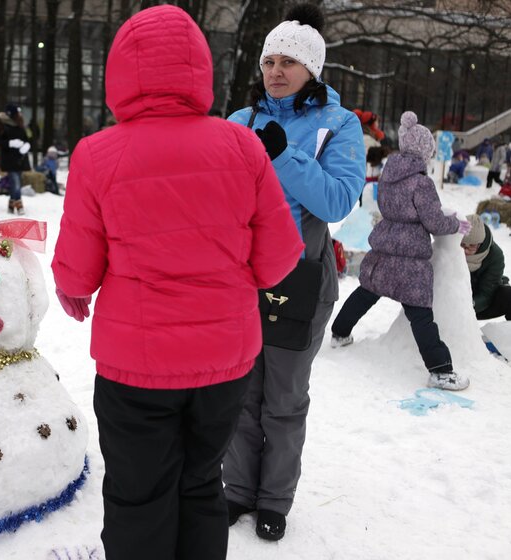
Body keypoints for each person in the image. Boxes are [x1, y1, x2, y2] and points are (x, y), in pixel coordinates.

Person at [51, 6, 305, 560]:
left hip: (135, 365)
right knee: (200, 483)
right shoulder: (241, 146)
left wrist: (72, 290)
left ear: (118, 76)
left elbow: (77, 270)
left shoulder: (97, 155)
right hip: (223, 361)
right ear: (199, 70)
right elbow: (281, 255)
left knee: (138, 494)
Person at [220, 4, 365, 542]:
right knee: (239, 391)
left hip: (302, 273)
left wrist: (284, 156)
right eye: (269, 61)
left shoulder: (340, 124)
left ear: (313, 69)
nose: (276, 72)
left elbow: (338, 202)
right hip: (241, 274)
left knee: (284, 397)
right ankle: (237, 487)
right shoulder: (240, 121)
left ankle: (274, 497)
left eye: (289, 62)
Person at [330, 111, 471, 393]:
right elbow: (433, 221)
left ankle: (339, 332)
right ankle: (441, 371)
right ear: (424, 152)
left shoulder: (388, 174)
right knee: (420, 313)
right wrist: (456, 224)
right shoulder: (421, 183)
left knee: (366, 292)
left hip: (385, 245)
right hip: (410, 257)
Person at [461, 214, 511, 319]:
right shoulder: (449, 250)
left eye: (472, 246)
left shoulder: (495, 255)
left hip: (481, 301)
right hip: (454, 301)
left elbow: (486, 294)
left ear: (480, 243)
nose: (466, 250)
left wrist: (468, 305)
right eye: (463, 245)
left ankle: (507, 333)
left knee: (509, 296)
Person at [0, 104, 31, 215]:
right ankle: (19, 204)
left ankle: (11, 204)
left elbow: (26, 139)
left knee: (15, 183)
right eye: (18, 113)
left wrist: (26, 146)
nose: (20, 115)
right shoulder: (3, 126)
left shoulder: (20, 126)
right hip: (10, 160)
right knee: (16, 183)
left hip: (20, 160)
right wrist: (10, 143)